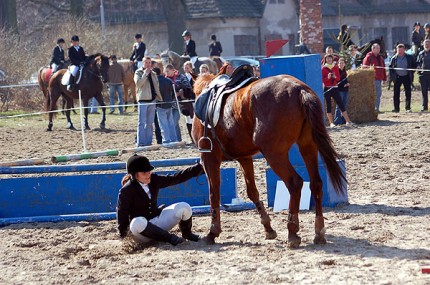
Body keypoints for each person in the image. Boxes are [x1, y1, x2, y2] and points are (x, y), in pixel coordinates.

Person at [117, 154, 204, 245]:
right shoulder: (126, 191)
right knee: (136, 222)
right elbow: (122, 215)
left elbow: (175, 178)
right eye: (144, 173)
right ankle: (170, 238)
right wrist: (124, 238)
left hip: (157, 224)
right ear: (135, 175)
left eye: (149, 171)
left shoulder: (154, 179)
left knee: (184, 207)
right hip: (141, 232)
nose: (148, 175)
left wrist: (199, 168)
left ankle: (187, 234)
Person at [134, 56, 163, 147]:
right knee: (141, 123)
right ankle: (140, 143)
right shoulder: (138, 72)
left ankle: (148, 142)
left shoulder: (154, 73)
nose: (148, 64)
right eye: (146, 62)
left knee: (150, 123)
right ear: (143, 63)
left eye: (149, 63)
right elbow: (139, 84)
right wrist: (145, 74)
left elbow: (156, 86)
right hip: (143, 100)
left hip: (152, 100)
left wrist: (159, 98)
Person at [321, 54, 354, 128]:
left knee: (341, 104)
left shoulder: (335, 68)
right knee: (328, 105)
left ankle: (348, 121)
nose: (329, 60)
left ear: (332, 59)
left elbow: (338, 79)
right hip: (327, 88)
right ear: (325, 59)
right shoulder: (323, 68)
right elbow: (322, 80)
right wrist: (328, 77)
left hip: (335, 88)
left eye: (330, 58)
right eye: (328, 59)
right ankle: (331, 123)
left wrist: (335, 76)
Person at [165, 64, 194, 141]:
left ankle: (173, 138)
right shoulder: (166, 78)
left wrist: (180, 92)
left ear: (172, 70)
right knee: (175, 123)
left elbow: (188, 87)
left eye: (168, 71)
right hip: (171, 104)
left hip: (181, 104)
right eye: (166, 71)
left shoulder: (181, 77)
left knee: (173, 121)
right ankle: (177, 139)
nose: (166, 73)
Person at [153, 67, 177, 144]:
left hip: (160, 105)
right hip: (169, 104)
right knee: (171, 123)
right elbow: (173, 93)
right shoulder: (169, 80)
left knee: (163, 124)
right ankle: (174, 139)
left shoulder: (156, 82)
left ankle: (166, 140)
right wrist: (171, 100)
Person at [389, 44, 415, 113]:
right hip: (397, 78)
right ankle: (396, 108)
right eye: (398, 50)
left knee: (408, 93)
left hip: (406, 77)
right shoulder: (394, 58)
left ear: (404, 50)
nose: (400, 51)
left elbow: (414, 65)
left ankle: (408, 108)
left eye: (401, 50)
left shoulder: (409, 57)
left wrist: (411, 73)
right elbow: (390, 68)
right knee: (396, 94)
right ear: (396, 50)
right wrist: (393, 77)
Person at [362, 43, 387, 113]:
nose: (379, 50)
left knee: (378, 94)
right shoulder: (368, 57)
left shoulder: (381, 58)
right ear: (373, 49)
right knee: (371, 95)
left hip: (379, 79)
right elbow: (364, 68)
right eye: (377, 48)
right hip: (371, 79)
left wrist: (384, 78)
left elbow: (383, 68)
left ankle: (377, 109)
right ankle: (370, 109)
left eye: (379, 48)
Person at [334, 58, 350, 125]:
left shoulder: (345, 71)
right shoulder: (337, 71)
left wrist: (347, 83)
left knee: (344, 105)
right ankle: (337, 121)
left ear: (344, 64)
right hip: (339, 90)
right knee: (339, 106)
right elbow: (337, 81)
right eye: (340, 63)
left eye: (342, 63)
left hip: (345, 90)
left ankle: (343, 120)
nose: (341, 64)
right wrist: (344, 84)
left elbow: (345, 80)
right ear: (338, 64)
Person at [416, 39, 430, 112]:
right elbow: (418, 62)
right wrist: (418, 67)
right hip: (423, 75)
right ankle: (424, 107)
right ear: (423, 45)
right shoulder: (421, 53)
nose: (427, 45)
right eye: (426, 44)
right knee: (424, 92)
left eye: (428, 44)